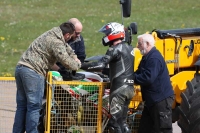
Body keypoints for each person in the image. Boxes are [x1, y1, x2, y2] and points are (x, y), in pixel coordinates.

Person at [13, 22, 81, 133]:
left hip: (21, 68)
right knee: (34, 106)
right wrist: (78, 64)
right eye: (72, 36)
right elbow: (66, 62)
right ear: (67, 35)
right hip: (33, 72)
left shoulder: (52, 34)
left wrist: (74, 56)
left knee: (22, 106)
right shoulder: (56, 42)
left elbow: (67, 48)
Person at [81, 22, 134, 133]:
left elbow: (100, 65)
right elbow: (116, 69)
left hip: (119, 89)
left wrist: (80, 65)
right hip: (130, 88)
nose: (105, 37)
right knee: (123, 122)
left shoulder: (114, 49)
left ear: (114, 33)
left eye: (107, 34)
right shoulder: (130, 49)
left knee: (114, 123)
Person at [134, 33, 174, 133]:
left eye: (139, 44)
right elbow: (138, 73)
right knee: (145, 129)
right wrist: (128, 76)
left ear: (147, 44)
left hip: (160, 100)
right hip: (151, 101)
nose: (138, 46)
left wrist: (131, 79)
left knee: (162, 129)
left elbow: (148, 78)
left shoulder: (154, 58)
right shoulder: (146, 57)